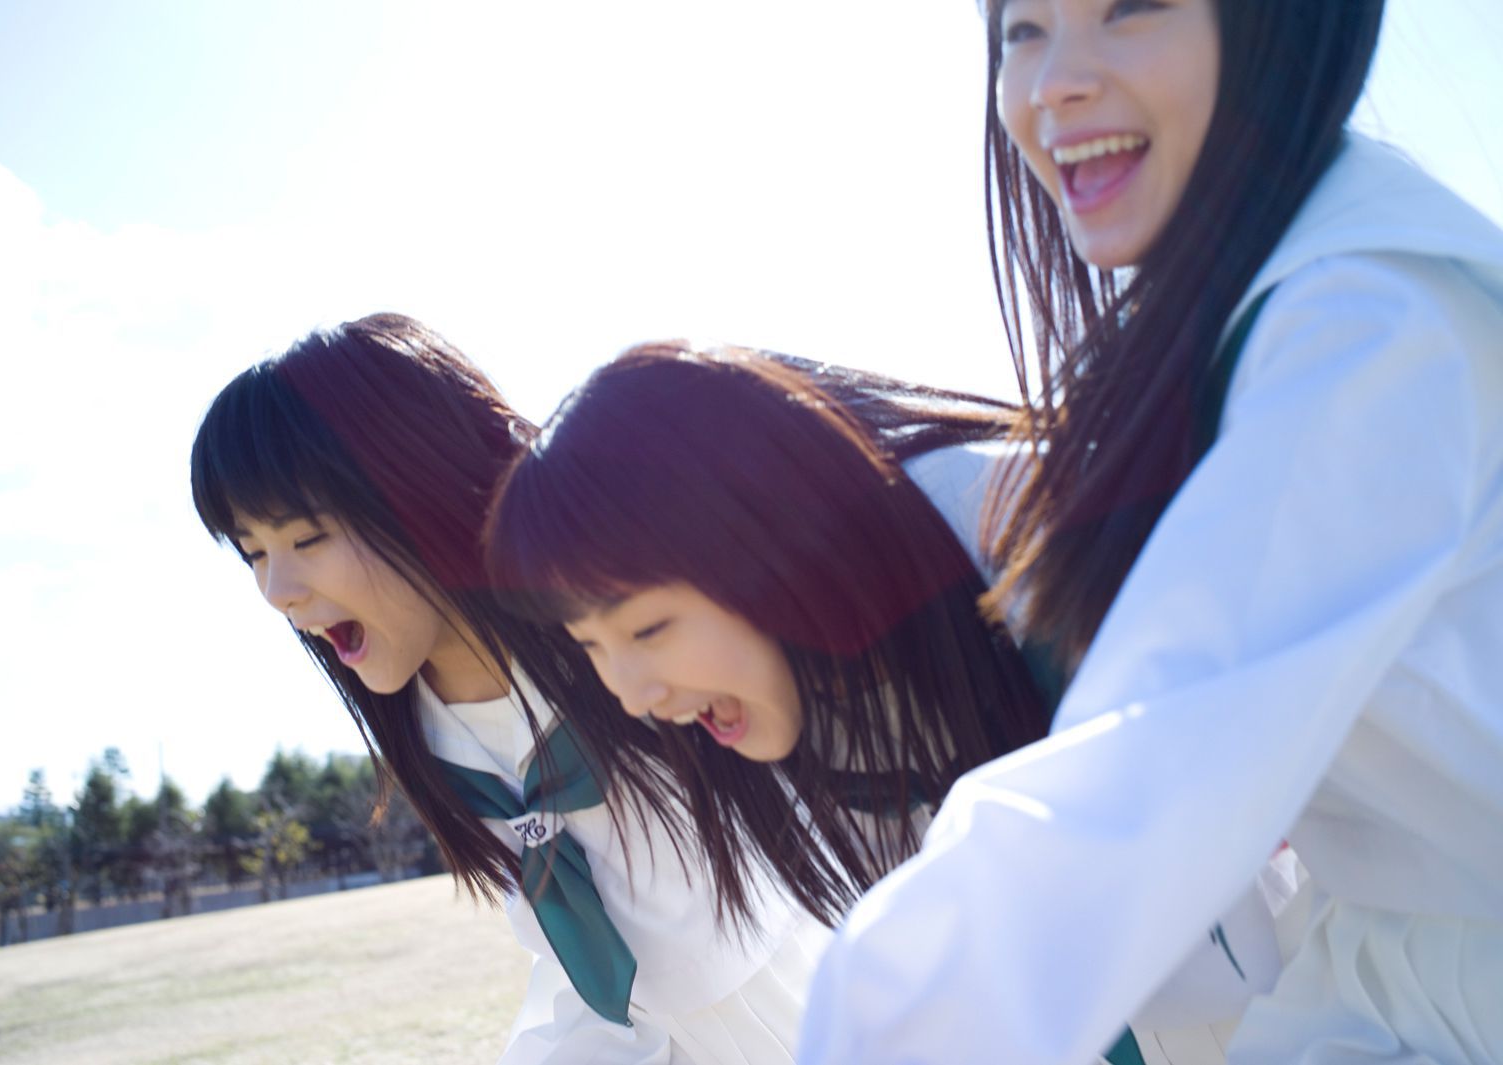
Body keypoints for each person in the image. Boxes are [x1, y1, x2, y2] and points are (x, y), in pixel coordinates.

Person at [797, 2, 1503, 1063]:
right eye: (1021, 32)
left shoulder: (1366, 321)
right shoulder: (1269, 299)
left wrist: (875, 1027)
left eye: (1129, 9)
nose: (1053, 84)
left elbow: (1156, 753)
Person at [485, 342, 1288, 1064]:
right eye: (592, 647)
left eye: (649, 628)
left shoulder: (1019, 527)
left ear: (754, 536)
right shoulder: (805, 701)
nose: (633, 695)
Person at [188, 314, 825, 1065]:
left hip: (812, 991)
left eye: (305, 538)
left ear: (419, 487)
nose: (278, 591)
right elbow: (582, 959)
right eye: (254, 553)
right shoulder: (427, 731)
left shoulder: (616, 630)